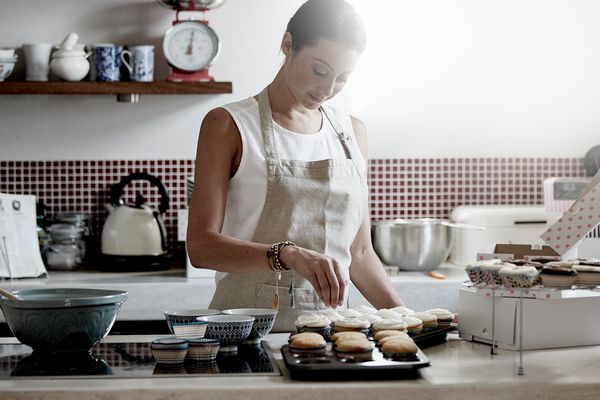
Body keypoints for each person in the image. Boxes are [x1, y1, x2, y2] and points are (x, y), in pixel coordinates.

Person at [187, 0, 403, 332]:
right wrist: (286, 255)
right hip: (245, 335)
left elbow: (358, 254)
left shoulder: (352, 133)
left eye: (342, 77)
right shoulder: (228, 125)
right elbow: (201, 248)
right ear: (288, 44)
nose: (328, 89)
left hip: (331, 338)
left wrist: (408, 319)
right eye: (320, 70)